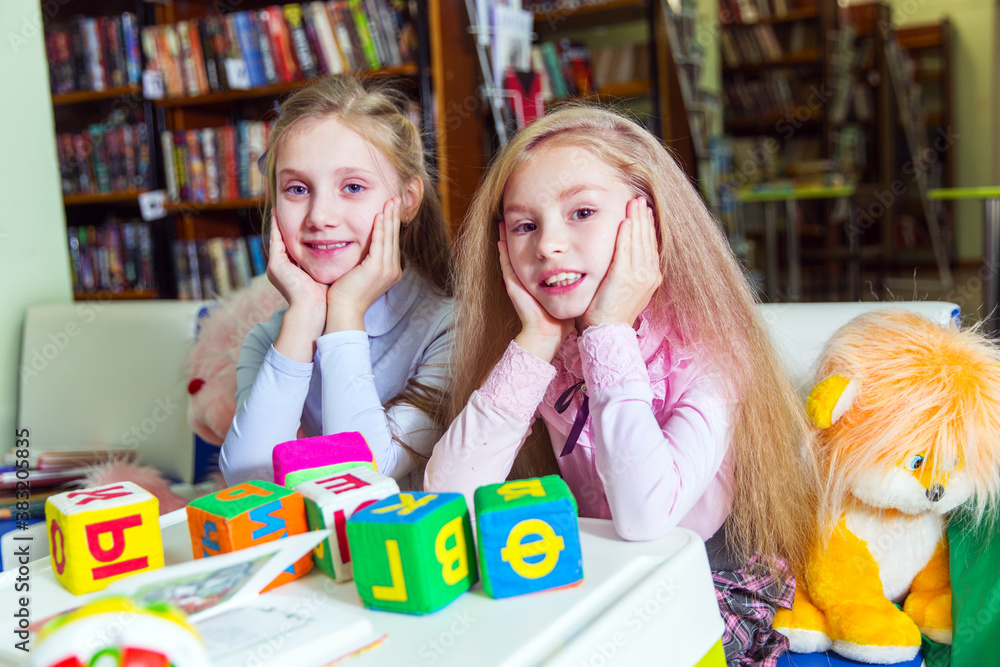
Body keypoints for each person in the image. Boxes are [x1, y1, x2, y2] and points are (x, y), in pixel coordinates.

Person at [424, 106, 817, 666]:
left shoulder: (712, 349)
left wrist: (608, 331)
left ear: (647, 223)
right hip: (602, 578)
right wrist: (535, 338)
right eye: (524, 225)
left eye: (581, 212)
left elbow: (647, 519)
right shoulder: (550, 353)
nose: (548, 245)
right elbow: (447, 496)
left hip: (704, 584)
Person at [220, 74, 453, 491]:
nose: (320, 216)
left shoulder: (449, 328)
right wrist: (306, 315)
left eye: (352, 187)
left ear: (409, 201)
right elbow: (248, 483)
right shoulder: (272, 339)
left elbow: (361, 476)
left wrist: (345, 312)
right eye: (296, 189)